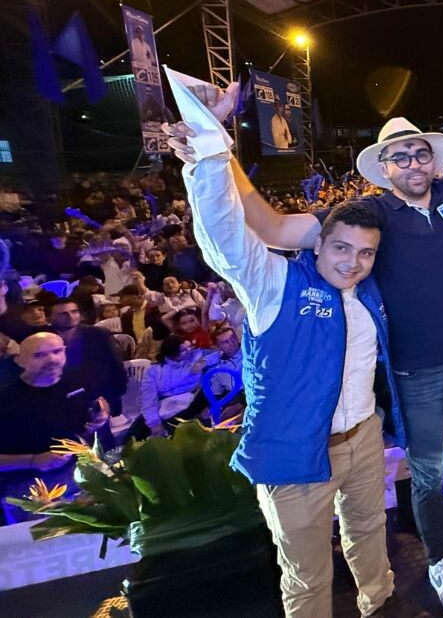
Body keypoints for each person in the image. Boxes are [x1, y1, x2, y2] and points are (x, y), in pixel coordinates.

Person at [208, 59, 443, 617]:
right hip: (415, 372)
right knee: (424, 471)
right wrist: (217, 145)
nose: (414, 163)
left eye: (421, 153)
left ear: (434, 159)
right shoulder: (370, 213)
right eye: (401, 156)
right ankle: (442, 559)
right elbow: (273, 228)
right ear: (384, 168)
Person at [163, 76, 405, 618]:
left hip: (363, 438)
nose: (352, 262)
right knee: (306, 572)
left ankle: (380, 602)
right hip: (293, 454)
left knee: (370, 532)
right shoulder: (274, 283)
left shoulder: (367, 293)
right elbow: (225, 236)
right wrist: (208, 148)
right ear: (317, 241)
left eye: (365, 253)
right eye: (341, 247)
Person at [0, 333, 109, 524]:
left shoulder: (77, 378)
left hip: (77, 473)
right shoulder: (6, 400)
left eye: (57, 351)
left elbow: (98, 401)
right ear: (20, 360)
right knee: (44, 545)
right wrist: (34, 461)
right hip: (27, 486)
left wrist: (102, 414)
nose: (52, 359)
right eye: (39, 355)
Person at [48, 298, 127, 415]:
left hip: (99, 397)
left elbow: (116, 367)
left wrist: (111, 398)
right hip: (61, 402)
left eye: (74, 311)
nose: (70, 316)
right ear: (50, 317)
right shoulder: (44, 338)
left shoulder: (99, 335)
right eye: (63, 314)